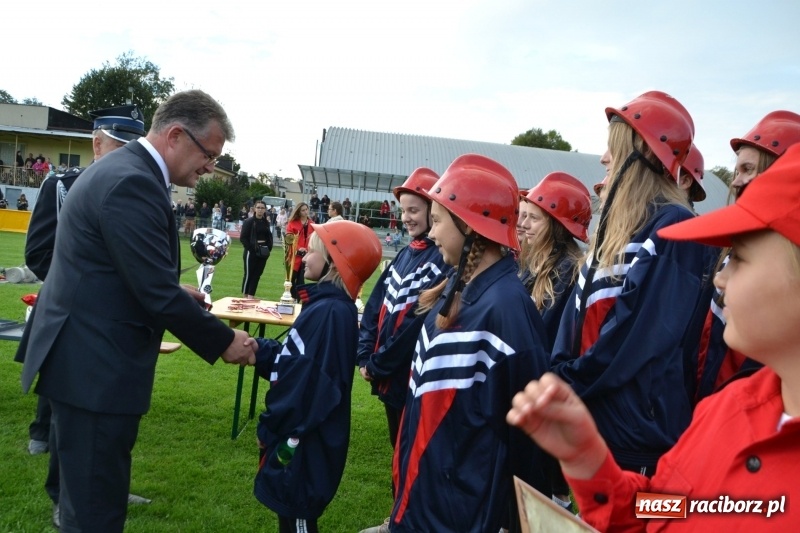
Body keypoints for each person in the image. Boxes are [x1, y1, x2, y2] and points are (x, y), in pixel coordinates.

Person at [508, 143, 800, 532]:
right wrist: (590, 463)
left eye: (740, 259)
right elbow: (669, 508)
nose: (719, 277)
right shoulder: (724, 410)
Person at [17, 90, 257, 533]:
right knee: (94, 514)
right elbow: (152, 293)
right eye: (209, 155)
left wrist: (174, 291)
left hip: (89, 364)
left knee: (88, 502)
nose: (209, 168)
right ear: (176, 135)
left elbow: (117, 271)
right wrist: (225, 341)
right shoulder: (134, 180)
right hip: (95, 370)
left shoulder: (125, 170)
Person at [371, 154, 551, 533]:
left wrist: (512, 520)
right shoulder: (459, 288)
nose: (431, 233)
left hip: (457, 516)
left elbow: (530, 439)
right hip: (423, 501)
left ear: (469, 226)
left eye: (436, 220)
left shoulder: (507, 310)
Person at [549, 91, 709, 477]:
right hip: (597, 421)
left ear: (646, 154)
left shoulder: (675, 228)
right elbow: (576, 315)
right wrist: (557, 370)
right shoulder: (618, 229)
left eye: (612, 148)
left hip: (638, 436)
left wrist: (566, 380)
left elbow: (638, 339)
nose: (604, 158)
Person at [253, 220, 381, 533]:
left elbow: (308, 388)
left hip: (304, 446)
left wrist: (270, 426)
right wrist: (257, 349)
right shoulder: (324, 308)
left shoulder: (331, 315)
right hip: (298, 439)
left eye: (311, 251)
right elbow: (294, 362)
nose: (303, 255)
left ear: (335, 263)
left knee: (298, 519)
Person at [356, 168, 449, 520]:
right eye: (403, 210)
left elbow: (415, 325)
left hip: (409, 377)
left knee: (412, 453)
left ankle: (406, 518)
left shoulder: (440, 257)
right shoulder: (405, 253)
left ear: (433, 210)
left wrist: (377, 363)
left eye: (414, 210)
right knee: (398, 448)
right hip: (387, 375)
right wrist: (364, 354)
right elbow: (375, 306)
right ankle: (400, 514)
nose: (406, 217)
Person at [691, 110, 800, 404]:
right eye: (736, 171)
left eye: (748, 169)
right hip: (709, 407)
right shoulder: (719, 252)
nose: (736, 182)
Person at [519, 172, 591, 351]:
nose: (524, 224)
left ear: (556, 225)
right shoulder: (535, 262)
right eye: (525, 216)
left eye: (534, 218)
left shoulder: (567, 271)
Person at [240, 200, 274, 297]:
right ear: (254, 209)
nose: (260, 210)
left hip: (263, 252)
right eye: (258, 207)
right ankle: (245, 296)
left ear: (265, 210)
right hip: (251, 252)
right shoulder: (249, 222)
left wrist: (268, 248)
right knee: (248, 274)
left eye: (262, 208)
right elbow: (243, 238)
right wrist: (251, 249)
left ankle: (251, 296)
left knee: (257, 275)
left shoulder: (266, 222)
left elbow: (268, 236)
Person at [286, 202, 314, 300]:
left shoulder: (312, 224)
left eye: (306, 209)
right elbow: (289, 239)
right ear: (298, 211)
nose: (305, 212)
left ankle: (299, 300)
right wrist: (298, 248)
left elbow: (313, 239)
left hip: (306, 256)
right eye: (303, 210)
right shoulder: (292, 223)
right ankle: (291, 298)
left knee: (301, 281)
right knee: (291, 279)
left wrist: (308, 250)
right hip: (293, 256)